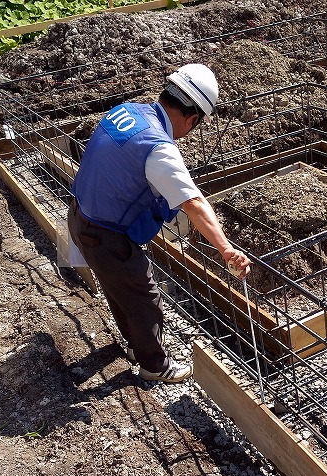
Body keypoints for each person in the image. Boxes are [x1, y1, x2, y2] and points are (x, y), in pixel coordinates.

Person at [68, 63, 251, 383]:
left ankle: (135, 344)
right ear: (192, 119)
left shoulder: (127, 112)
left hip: (80, 215)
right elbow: (194, 203)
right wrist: (225, 249)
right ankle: (155, 365)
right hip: (104, 235)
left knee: (119, 289)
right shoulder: (158, 148)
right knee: (145, 296)